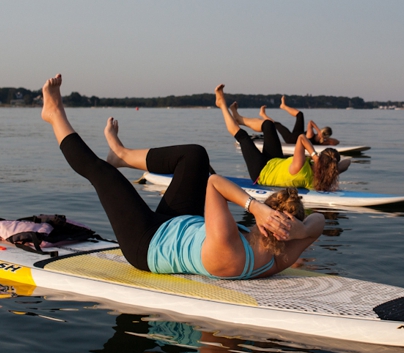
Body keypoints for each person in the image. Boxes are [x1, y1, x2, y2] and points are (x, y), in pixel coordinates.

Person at [41, 74, 325, 279]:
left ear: (268, 223)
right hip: (178, 223)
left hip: (146, 243)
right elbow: (319, 222)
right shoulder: (280, 257)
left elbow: (214, 183)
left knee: (101, 172)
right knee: (195, 156)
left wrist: (256, 207)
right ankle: (123, 154)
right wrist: (299, 231)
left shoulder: (230, 245)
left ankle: (54, 115)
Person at [216, 84, 341, 192]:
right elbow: (346, 163)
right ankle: (238, 118)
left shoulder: (300, 165)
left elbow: (301, 138)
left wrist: (314, 155)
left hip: (261, 172)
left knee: (243, 137)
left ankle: (222, 104)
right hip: (275, 160)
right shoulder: (321, 177)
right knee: (268, 124)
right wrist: (332, 166)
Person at [261, 96, 340, 146]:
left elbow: (337, 142)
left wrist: (323, 136)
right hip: (297, 133)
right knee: (300, 115)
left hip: (291, 139)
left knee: (277, 124)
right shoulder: (314, 136)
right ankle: (283, 106)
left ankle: (263, 115)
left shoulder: (317, 138)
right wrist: (319, 132)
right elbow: (310, 122)